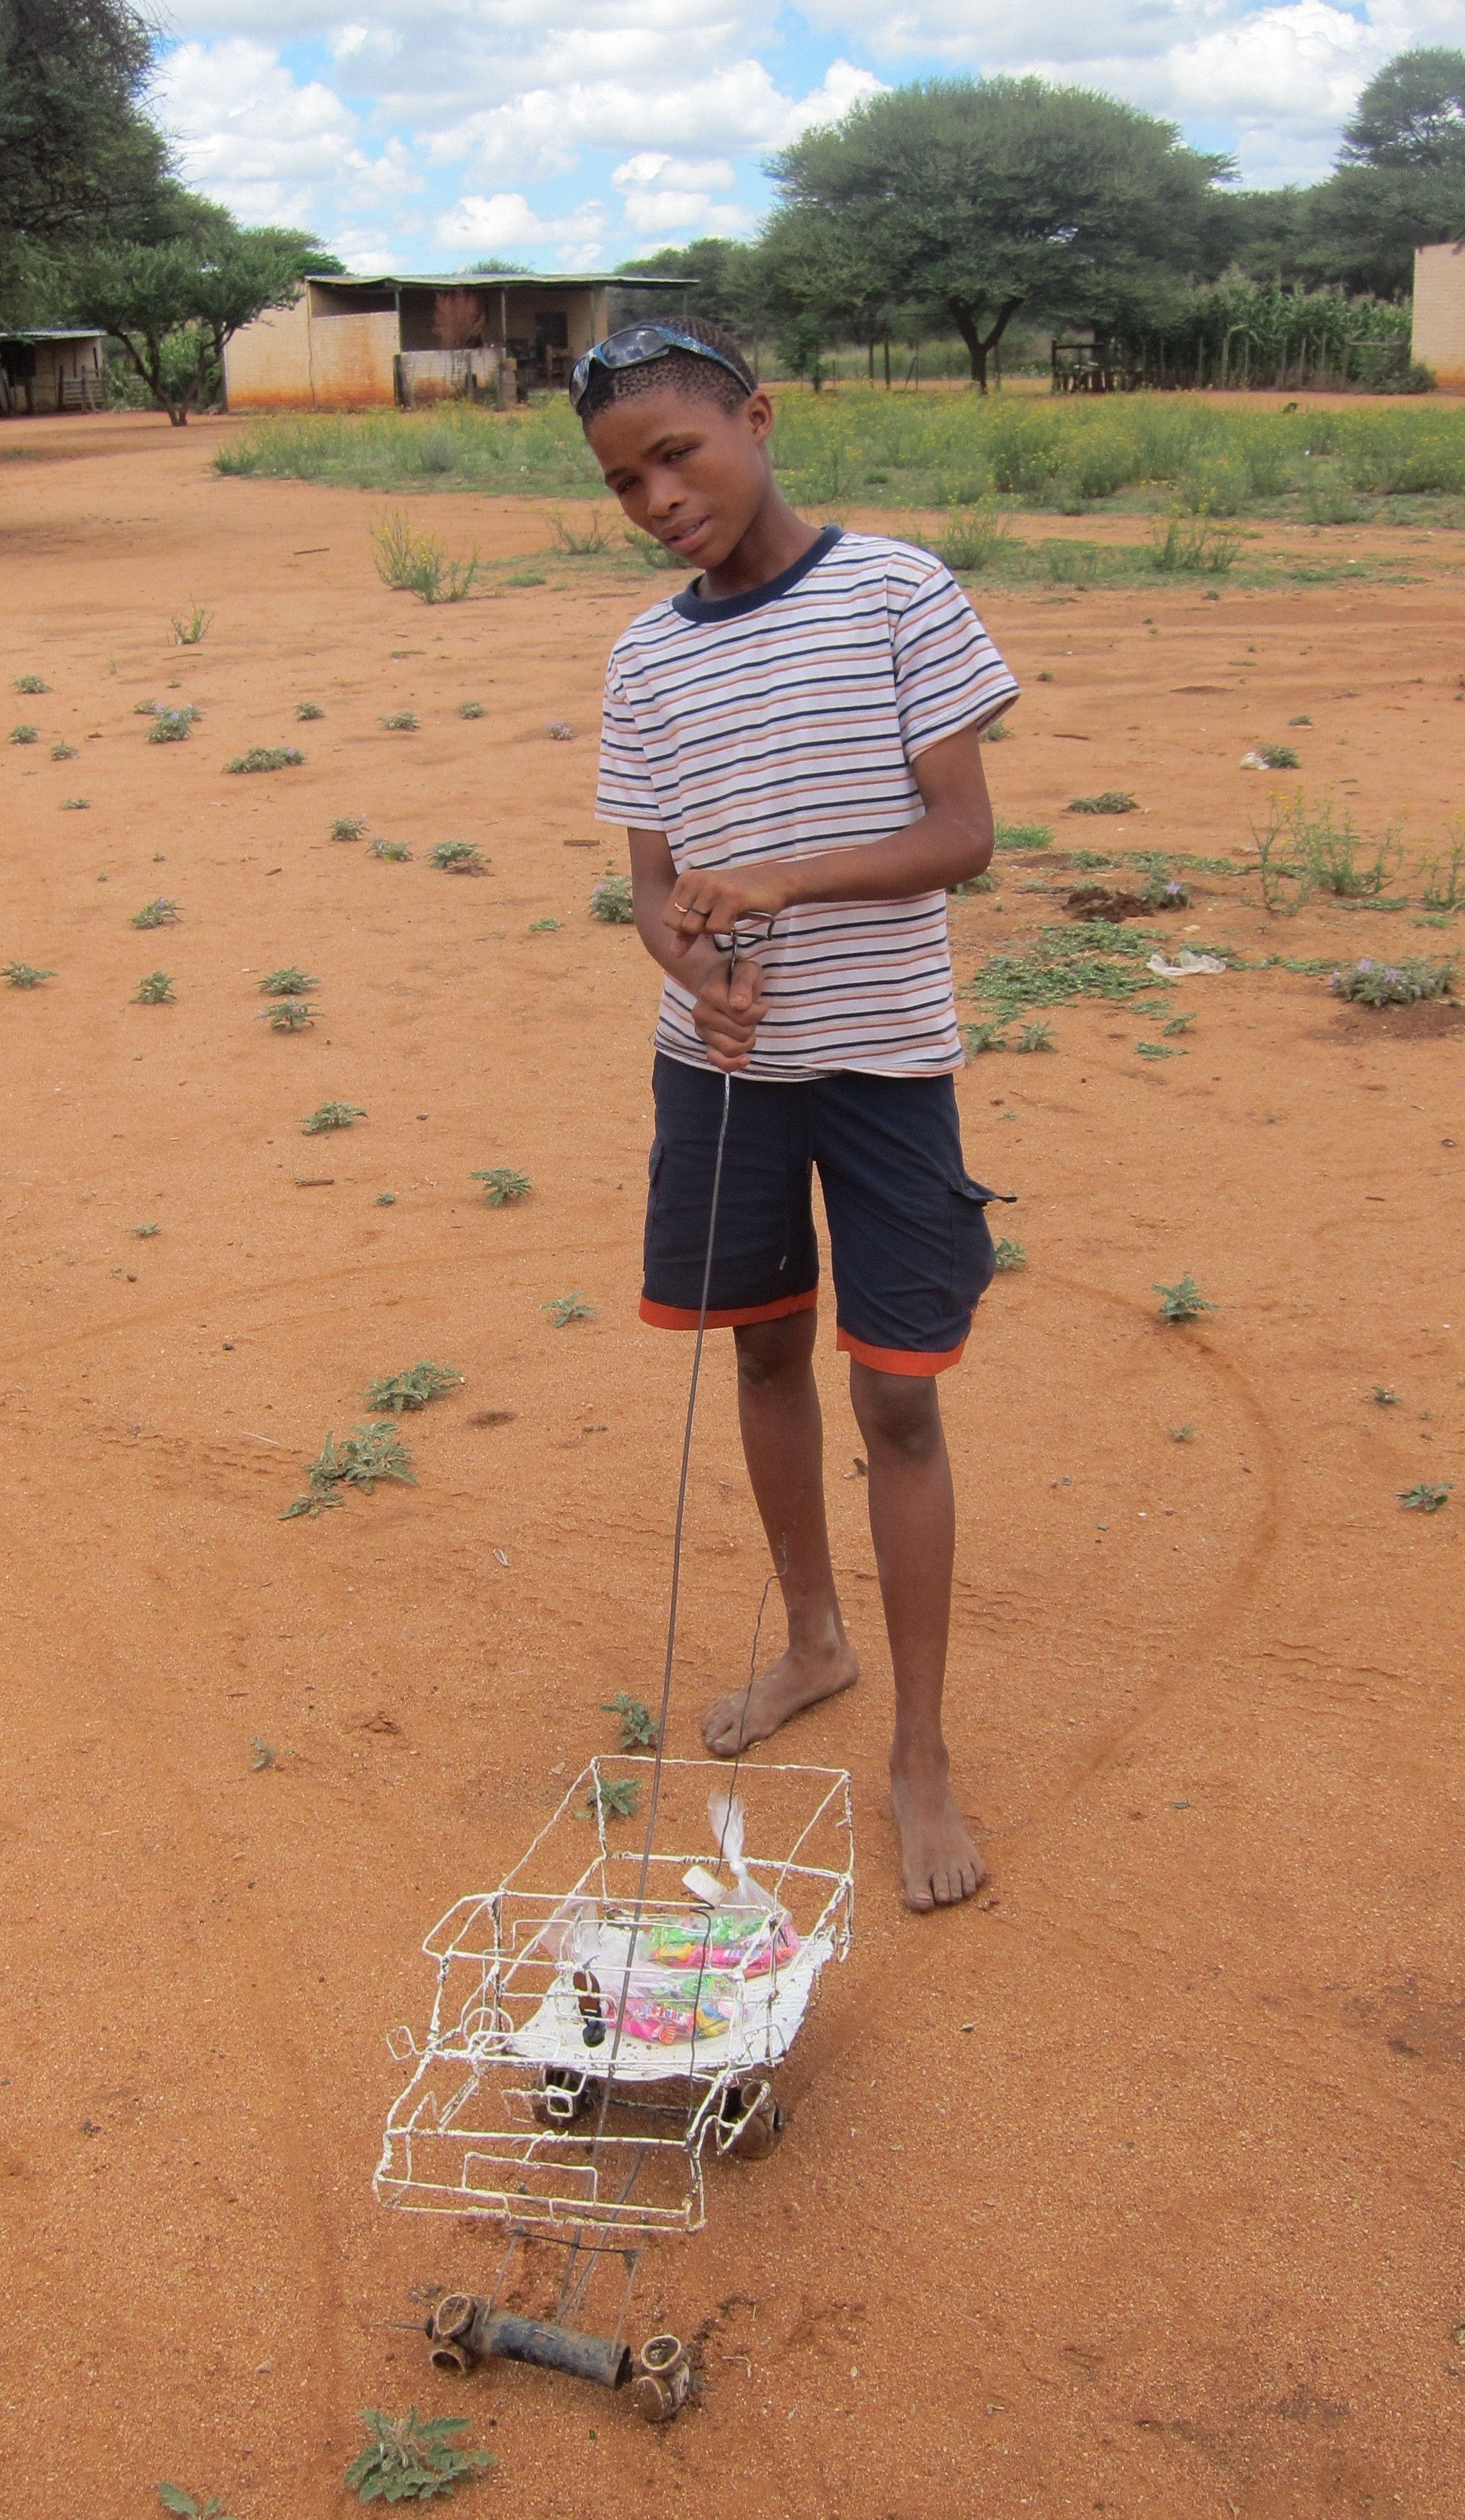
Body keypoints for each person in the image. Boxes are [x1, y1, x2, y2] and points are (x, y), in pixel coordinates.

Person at [577, 318, 1019, 1912]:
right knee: (763, 1345)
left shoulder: (897, 590)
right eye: (625, 482)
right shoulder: (646, 654)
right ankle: (812, 1638)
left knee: (896, 1400)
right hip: (725, 1074)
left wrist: (779, 880)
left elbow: (961, 833)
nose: (656, 498)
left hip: (886, 1063)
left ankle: (921, 1752)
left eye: (677, 454)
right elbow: (647, 886)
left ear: (758, 418)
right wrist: (694, 964)